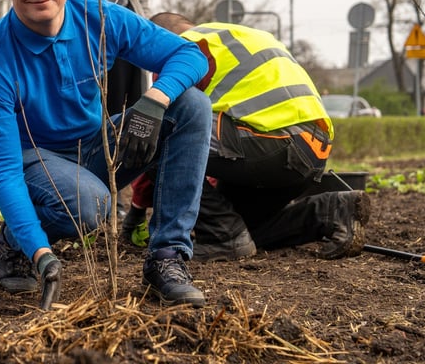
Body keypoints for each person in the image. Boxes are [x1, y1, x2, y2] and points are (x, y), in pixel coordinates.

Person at [0, 0, 212, 309]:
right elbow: (3, 169)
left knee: (192, 106)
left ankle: (167, 258)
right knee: (91, 205)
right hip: (35, 161)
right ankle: (17, 240)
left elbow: (190, 55)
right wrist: (40, 251)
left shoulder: (100, 18)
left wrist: (155, 100)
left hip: (96, 148)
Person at [122, 13, 371, 262]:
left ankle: (223, 238)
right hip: (311, 152)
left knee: (163, 131)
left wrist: (137, 210)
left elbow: (159, 137)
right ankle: (330, 212)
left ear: (159, 37)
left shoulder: (182, 49)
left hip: (273, 144)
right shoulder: (238, 36)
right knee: (245, 228)